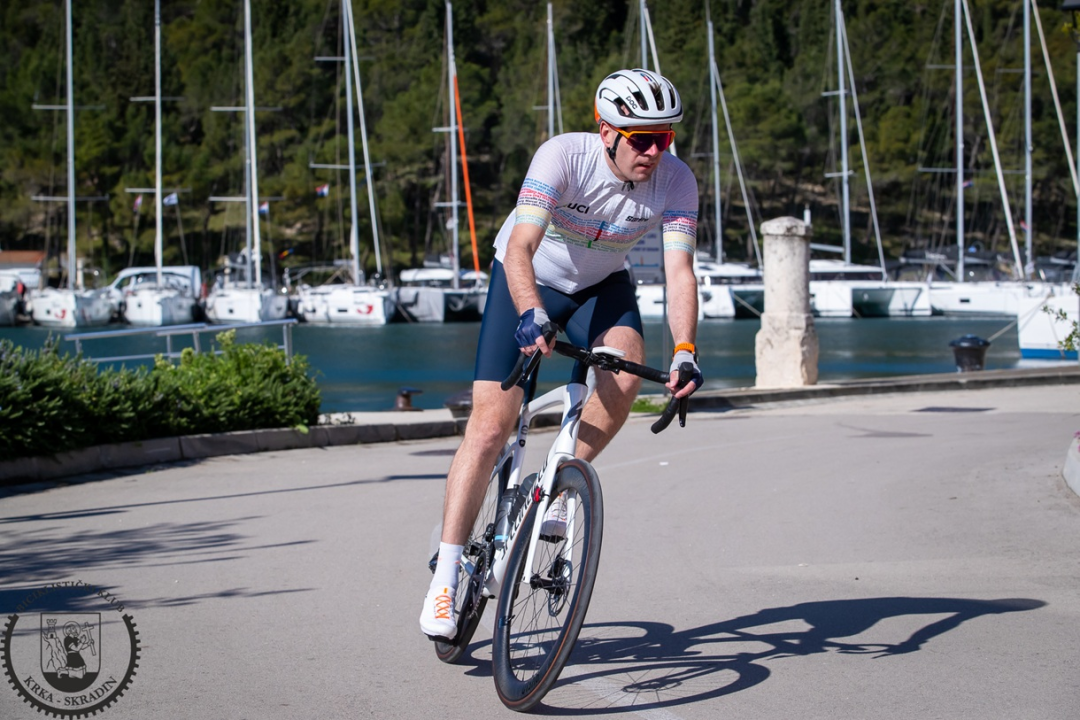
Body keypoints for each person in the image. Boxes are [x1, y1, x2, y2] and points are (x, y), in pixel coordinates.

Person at [420, 68, 704, 640]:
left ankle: (558, 484)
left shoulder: (676, 182)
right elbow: (521, 246)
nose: (653, 151)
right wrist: (530, 312)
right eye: (640, 138)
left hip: (601, 285)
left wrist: (684, 350)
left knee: (623, 377)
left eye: (664, 138)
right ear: (606, 132)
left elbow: (679, 272)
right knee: (490, 426)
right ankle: (447, 575)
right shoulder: (562, 157)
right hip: (527, 279)